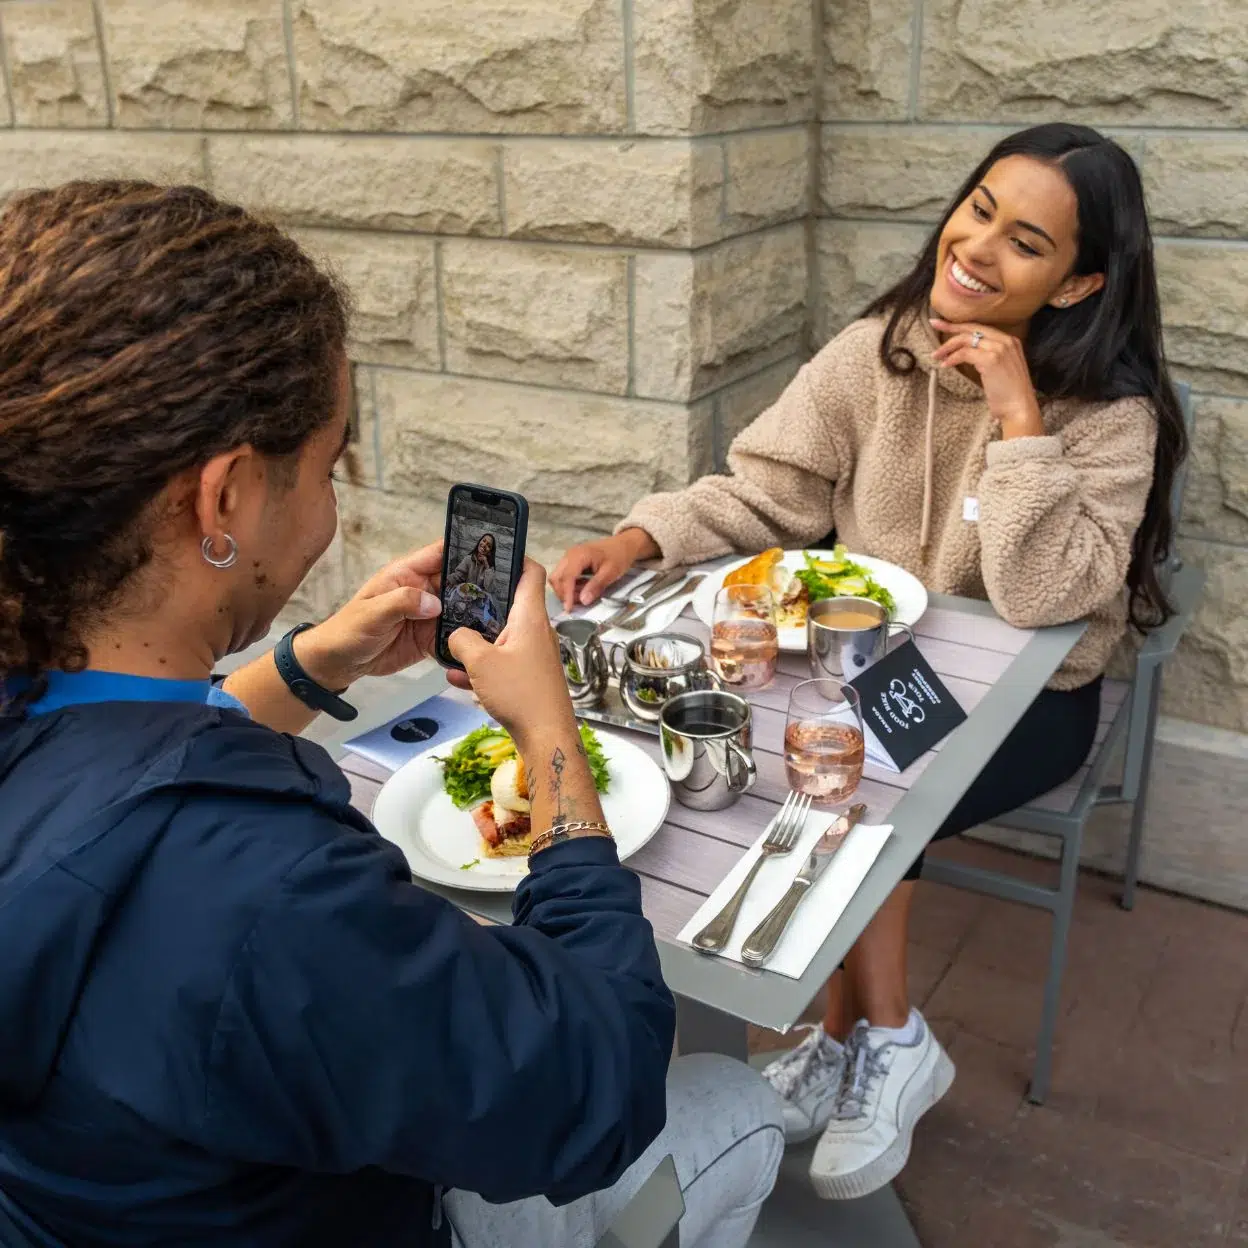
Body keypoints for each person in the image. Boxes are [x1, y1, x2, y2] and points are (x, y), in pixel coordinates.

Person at [0, 181, 784, 1247]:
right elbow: (597, 1082)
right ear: (224, 499)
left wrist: (317, 661)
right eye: (332, 464)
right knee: (739, 1111)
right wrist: (549, 732)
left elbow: (119, 753)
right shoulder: (266, 897)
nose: (333, 504)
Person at [552, 123, 1187, 1200]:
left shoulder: (1110, 417)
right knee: (824, 753)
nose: (978, 247)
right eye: (979, 208)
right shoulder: (874, 352)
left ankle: (881, 1037)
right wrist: (643, 537)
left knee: (855, 783)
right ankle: (853, 1041)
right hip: (879, 663)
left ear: (1079, 284)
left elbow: (1045, 600)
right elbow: (765, 492)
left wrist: (1017, 415)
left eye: (1025, 242)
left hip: (1036, 696)